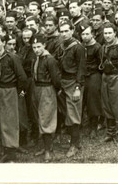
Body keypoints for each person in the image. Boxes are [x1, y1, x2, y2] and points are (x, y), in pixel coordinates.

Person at [0, 33, 28, 162]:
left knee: (9, 120)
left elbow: (22, 76)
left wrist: (21, 91)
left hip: (9, 90)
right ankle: (4, 149)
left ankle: (11, 153)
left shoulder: (12, 58)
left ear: (4, 43)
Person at [55, 21, 86, 158]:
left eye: (66, 31)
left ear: (72, 31)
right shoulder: (61, 45)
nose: (64, 34)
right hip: (63, 82)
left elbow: (81, 68)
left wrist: (78, 87)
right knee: (66, 112)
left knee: (74, 113)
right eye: (61, 31)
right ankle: (74, 141)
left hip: (74, 82)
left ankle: (74, 144)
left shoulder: (78, 47)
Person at [29, 34, 61, 162]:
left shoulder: (50, 59)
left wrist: (56, 90)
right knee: (39, 117)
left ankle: (48, 150)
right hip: (36, 89)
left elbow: (56, 78)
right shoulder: (35, 59)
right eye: (34, 47)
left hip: (46, 89)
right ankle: (45, 146)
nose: (36, 49)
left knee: (46, 117)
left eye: (39, 46)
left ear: (44, 45)